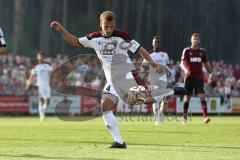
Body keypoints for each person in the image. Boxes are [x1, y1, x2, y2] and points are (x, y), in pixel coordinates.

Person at [50, 11, 187, 148]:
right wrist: (61, 29)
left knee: (143, 100)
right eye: (106, 26)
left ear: (114, 25)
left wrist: (153, 65)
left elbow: (141, 50)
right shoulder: (94, 38)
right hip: (112, 81)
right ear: (100, 25)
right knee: (105, 107)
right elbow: (75, 41)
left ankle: (170, 92)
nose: (109, 30)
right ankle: (120, 142)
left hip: (128, 76)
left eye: (112, 26)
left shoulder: (122, 36)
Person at [181, 33, 212, 125]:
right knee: (187, 98)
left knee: (202, 96)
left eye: (197, 39)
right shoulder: (186, 51)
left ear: (199, 41)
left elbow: (206, 64)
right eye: (194, 39)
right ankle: (184, 117)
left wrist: (210, 73)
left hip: (199, 78)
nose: (195, 41)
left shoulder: (202, 52)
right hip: (189, 78)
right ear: (191, 40)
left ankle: (205, 116)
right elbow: (182, 63)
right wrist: (185, 70)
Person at [142, 36, 170, 125]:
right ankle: (157, 118)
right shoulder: (148, 54)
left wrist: (168, 69)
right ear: (152, 43)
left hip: (163, 78)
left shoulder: (164, 54)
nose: (156, 44)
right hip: (153, 78)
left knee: (164, 98)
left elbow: (168, 64)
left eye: (158, 42)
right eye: (155, 42)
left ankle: (161, 112)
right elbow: (144, 66)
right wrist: (145, 76)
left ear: (159, 43)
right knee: (155, 98)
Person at [25, 51, 53, 121]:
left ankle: (42, 112)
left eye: (40, 56)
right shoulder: (36, 67)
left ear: (43, 57)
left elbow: (52, 74)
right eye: (38, 56)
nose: (39, 57)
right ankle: (42, 116)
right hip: (40, 85)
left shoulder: (48, 66)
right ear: (37, 58)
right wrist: (28, 85)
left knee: (48, 101)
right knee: (41, 100)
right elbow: (31, 77)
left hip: (47, 85)